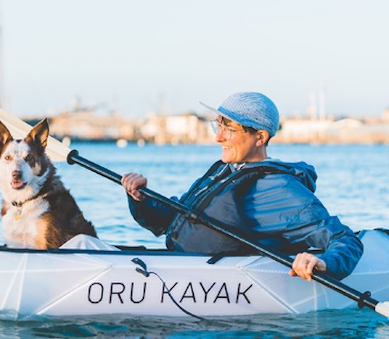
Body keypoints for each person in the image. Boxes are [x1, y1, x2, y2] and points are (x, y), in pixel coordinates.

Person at [121, 92, 363, 280]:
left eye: (229, 129)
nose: (218, 137)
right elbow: (170, 220)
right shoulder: (224, 171)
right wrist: (141, 198)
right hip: (184, 267)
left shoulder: (281, 189)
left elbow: (345, 239)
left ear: (260, 137)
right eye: (218, 126)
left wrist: (323, 263)